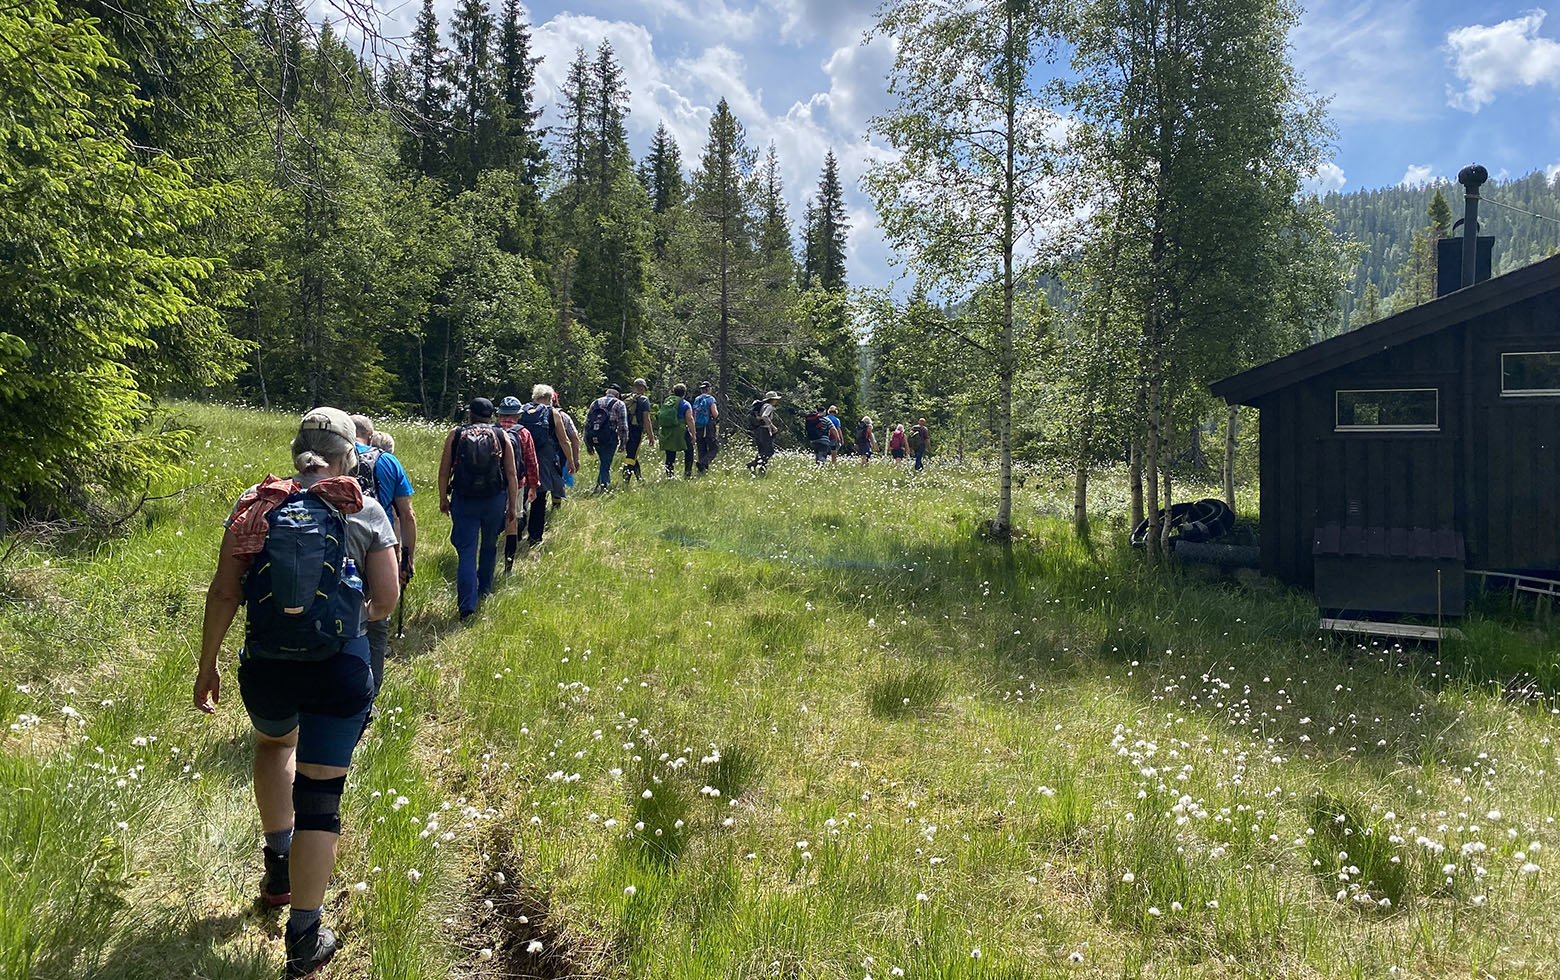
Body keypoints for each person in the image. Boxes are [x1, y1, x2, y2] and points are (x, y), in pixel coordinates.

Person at [194, 407, 399, 979]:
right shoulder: (361, 506)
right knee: (321, 796)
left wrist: (208, 666)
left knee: (274, 745)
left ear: (296, 451)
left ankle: (278, 864)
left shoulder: (255, 504)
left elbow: (224, 592)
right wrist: (342, 621)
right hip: (338, 668)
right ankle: (305, 936)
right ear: (348, 456)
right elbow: (386, 599)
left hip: (267, 666)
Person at [348, 415, 417, 698]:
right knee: (377, 625)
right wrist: (407, 557)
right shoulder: (387, 461)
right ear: (371, 434)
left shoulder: (331, 455)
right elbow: (407, 515)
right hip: (380, 546)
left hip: (338, 544)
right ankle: (370, 695)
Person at [437, 398, 519, 620]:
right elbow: (511, 473)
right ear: (491, 415)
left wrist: (443, 498)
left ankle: (467, 606)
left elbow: (444, 471)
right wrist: (512, 505)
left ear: (470, 414)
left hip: (464, 499)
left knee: (467, 551)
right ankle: (485, 590)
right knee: (489, 545)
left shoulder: (456, 434)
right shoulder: (501, 435)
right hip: (494, 499)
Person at [518, 385, 574, 545]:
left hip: (521, 457)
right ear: (550, 398)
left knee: (520, 495)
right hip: (543, 460)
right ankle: (535, 537)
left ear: (534, 396)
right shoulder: (553, 413)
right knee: (540, 497)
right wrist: (570, 461)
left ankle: (517, 530)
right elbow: (564, 440)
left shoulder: (521, 410)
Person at [495, 396, 540, 574]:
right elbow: (531, 461)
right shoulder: (523, 433)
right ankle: (508, 568)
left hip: (492, 484)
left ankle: (487, 562)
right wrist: (533, 485)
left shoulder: (491, 430)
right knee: (512, 523)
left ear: (500, 414)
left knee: (491, 524)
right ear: (519, 415)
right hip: (518, 484)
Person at [585, 384, 630, 491]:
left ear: (606, 392)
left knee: (604, 462)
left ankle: (600, 485)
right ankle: (603, 487)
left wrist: (588, 443)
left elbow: (588, 424)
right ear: (618, 395)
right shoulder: (619, 404)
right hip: (610, 438)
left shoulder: (595, 403)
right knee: (606, 463)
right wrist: (623, 443)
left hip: (595, 437)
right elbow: (623, 426)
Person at [659, 382, 695, 478]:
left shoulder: (668, 401)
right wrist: (693, 434)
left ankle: (669, 475)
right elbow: (690, 419)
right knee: (689, 450)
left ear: (674, 392)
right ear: (684, 393)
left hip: (667, 430)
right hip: (680, 430)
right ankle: (688, 473)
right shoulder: (685, 404)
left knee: (670, 453)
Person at [622, 378, 655, 484]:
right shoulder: (644, 400)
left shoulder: (626, 398)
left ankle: (639, 478)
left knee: (632, 452)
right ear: (643, 388)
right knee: (632, 455)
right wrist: (651, 435)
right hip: (636, 430)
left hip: (624, 429)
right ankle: (626, 480)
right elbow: (646, 419)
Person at [553, 390, 582, 504]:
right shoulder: (563, 416)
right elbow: (574, 437)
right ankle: (556, 506)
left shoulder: (531, 414)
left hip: (538, 454)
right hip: (559, 453)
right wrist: (575, 459)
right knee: (558, 479)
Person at [746, 390, 782, 473]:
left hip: (758, 430)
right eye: (775, 399)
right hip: (764, 430)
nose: (776, 401)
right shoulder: (769, 406)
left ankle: (761, 470)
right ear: (772, 399)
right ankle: (753, 464)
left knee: (762, 451)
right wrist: (773, 426)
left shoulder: (762, 405)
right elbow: (765, 416)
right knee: (769, 451)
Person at [692, 381, 720, 474]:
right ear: (709, 389)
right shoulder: (710, 399)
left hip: (698, 426)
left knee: (701, 447)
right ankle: (703, 462)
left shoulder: (697, 399)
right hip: (708, 425)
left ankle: (702, 470)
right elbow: (715, 414)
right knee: (714, 448)